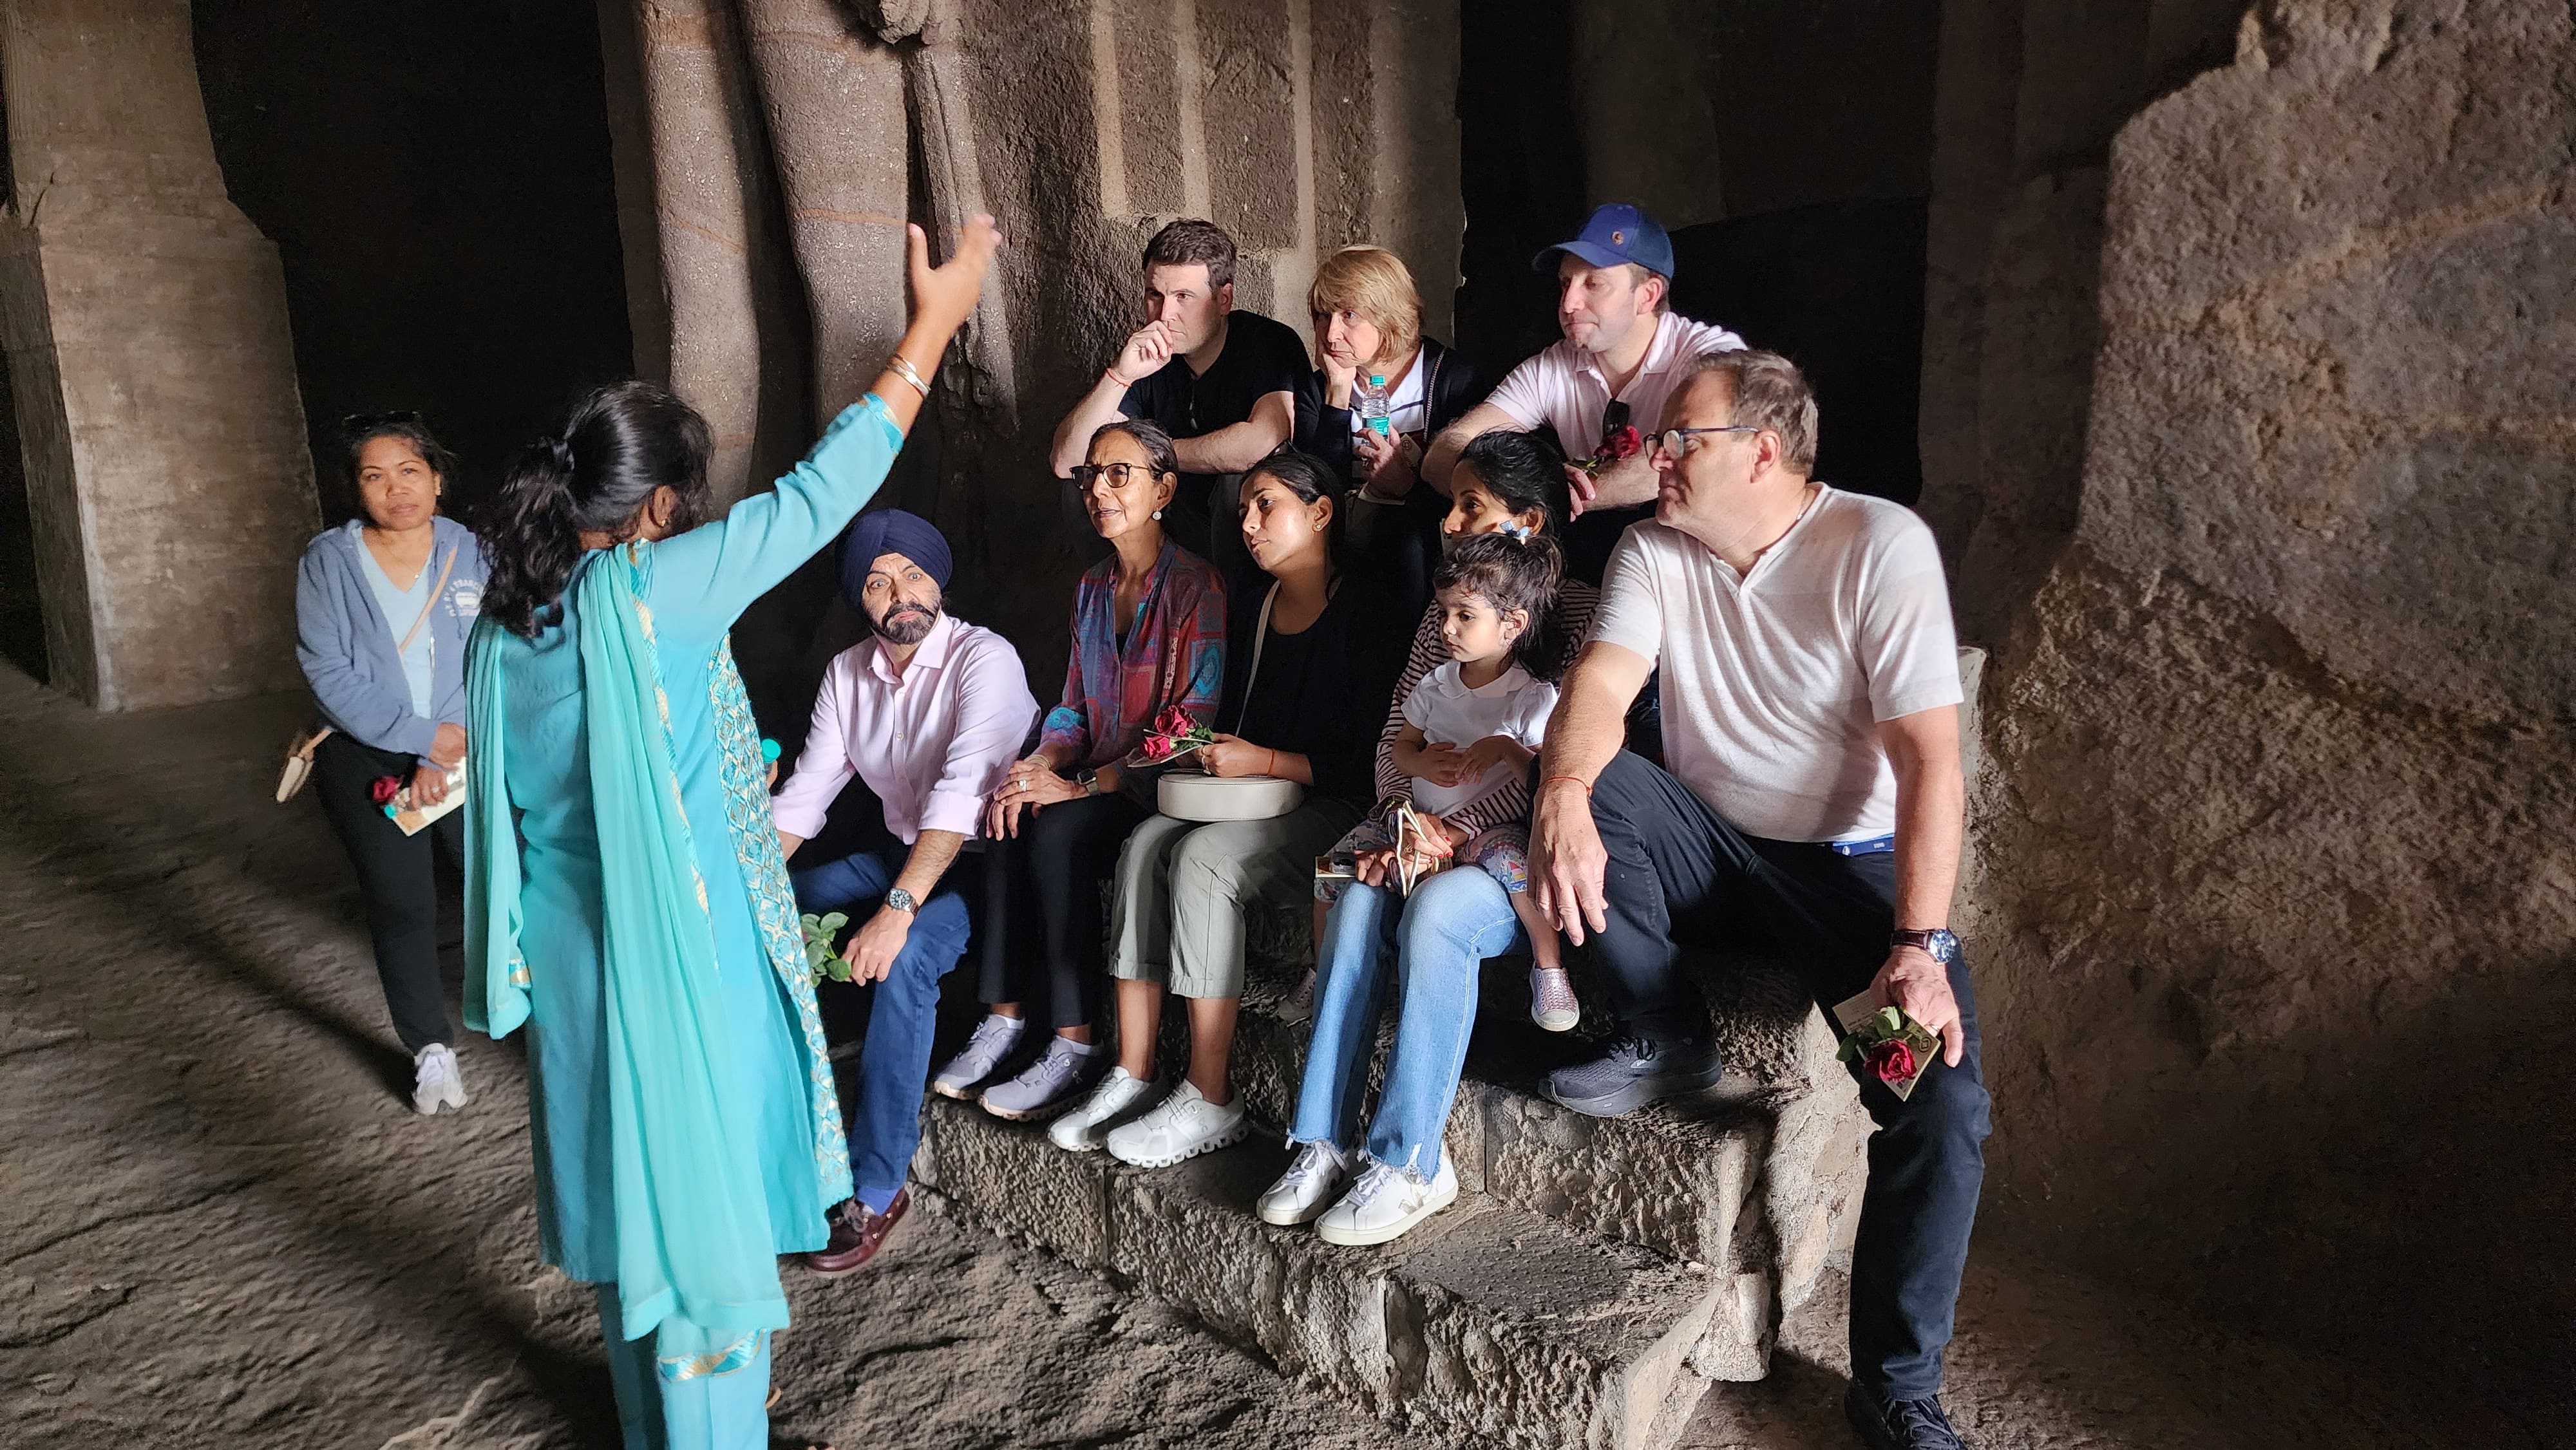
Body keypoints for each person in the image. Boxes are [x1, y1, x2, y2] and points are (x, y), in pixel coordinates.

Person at [462, 214, 998, 1450]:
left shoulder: (503, 631)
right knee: (703, 1235)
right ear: (656, 508)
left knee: (632, 1226)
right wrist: (934, 318)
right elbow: (826, 489)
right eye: (688, 503)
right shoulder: (653, 591)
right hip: (683, 967)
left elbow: (562, 785)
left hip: (583, 973)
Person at [1524, 350, 1987, 1450]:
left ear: (1765, 451)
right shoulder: (1654, 548)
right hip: (1715, 844)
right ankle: (1663, 1027)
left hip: (1850, 876)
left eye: (1684, 438)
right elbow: (1600, 685)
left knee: (1943, 1107)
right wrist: (1564, 786)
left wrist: (1917, 943)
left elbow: (1933, 759)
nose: (1658, 457)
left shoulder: (1879, 546)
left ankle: (1895, 1385)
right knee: (1604, 791)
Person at [1046, 450, 1408, 1168]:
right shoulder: (1255, 608)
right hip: (1254, 795)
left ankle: (1210, 1093)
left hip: (1333, 804)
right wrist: (1198, 744)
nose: (1247, 523)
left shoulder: (1369, 612)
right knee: (1147, 841)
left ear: (1321, 511)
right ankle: (1133, 1070)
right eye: (1243, 508)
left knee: (1203, 861)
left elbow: (1377, 759)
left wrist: (1264, 760)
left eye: (1265, 504)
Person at [1264, 530, 1569, 1247]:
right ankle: (1323, 1139)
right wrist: (1407, 821)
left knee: (1434, 909)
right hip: (1418, 828)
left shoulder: (1543, 676)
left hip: (1495, 857)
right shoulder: (1436, 672)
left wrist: (1454, 835)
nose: (1447, 627)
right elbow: (1397, 747)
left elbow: (1542, 781)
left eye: (1477, 506)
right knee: (1358, 895)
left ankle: (1410, 1160)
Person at [773, 508, 1037, 1275]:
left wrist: (894, 913)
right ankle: (774, 1109)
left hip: (985, 862)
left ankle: (877, 1182)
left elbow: (961, 797)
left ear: (939, 579)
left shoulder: (984, 659)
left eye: (915, 573)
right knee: (783, 899)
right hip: (899, 852)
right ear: (860, 598)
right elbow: (803, 798)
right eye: (879, 581)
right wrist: (735, 888)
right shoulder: (846, 672)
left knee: (906, 955)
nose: (901, 593)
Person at [965, 419, 1229, 1124]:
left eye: (1120, 474)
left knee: (1056, 829)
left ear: (1164, 488)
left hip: (1155, 788)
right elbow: (1075, 706)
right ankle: (1003, 1018)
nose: (1099, 489)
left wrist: (1080, 784)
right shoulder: (1090, 587)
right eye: (1090, 475)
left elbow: (1188, 726)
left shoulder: (1195, 588)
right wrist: (1038, 763)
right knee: (1007, 806)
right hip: (1089, 775)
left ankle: (1075, 1041)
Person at [295, 410, 489, 1116]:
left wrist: (448, 738)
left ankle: (526, 1021)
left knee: (494, 884)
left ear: (437, 479)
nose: (395, 489)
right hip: (364, 754)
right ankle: (430, 1049)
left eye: (410, 471)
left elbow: (493, 651)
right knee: (402, 901)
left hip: (463, 748)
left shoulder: (472, 551)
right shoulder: (327, 561)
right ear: (356, 488)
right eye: (374, 476)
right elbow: (328, 670)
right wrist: (416, 741)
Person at [1421, 202, 1747, 585]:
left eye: (1593, 283)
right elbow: (1443, 453)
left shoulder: (1711, 357)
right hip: (1599, 555)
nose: (1568, 303)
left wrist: (1556, 495)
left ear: (1648, 294)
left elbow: (1697, 459)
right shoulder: (1552, 367)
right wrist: (1506, 501)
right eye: (1565, 283)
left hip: (1703, 564)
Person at [1048, 218, 1309, 587]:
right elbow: (1067, 461)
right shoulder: (1146, 355)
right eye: (1155, 295)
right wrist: (1120, 374)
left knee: (1237, 484)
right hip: (1166, 518)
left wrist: (1151, 456)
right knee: (1086, 487)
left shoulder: (1266, 342)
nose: (1165, 315)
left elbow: (1258, 444)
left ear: (1223, 300)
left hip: (1239, 529)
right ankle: (1126, 608)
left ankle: (1227, 623)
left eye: (1184, 297)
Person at [1291, 244, 1484, 620]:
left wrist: (1407, 485)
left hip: (1432, 537)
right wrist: (1338, 392)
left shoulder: (1452, 378)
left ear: (1389, 316)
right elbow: (1316, 491)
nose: (1331, 334)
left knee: (1402, 542)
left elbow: (1476, 497)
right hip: (1347, 532)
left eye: (1349, 315)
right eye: (1323, 316)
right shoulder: (1317, 388)